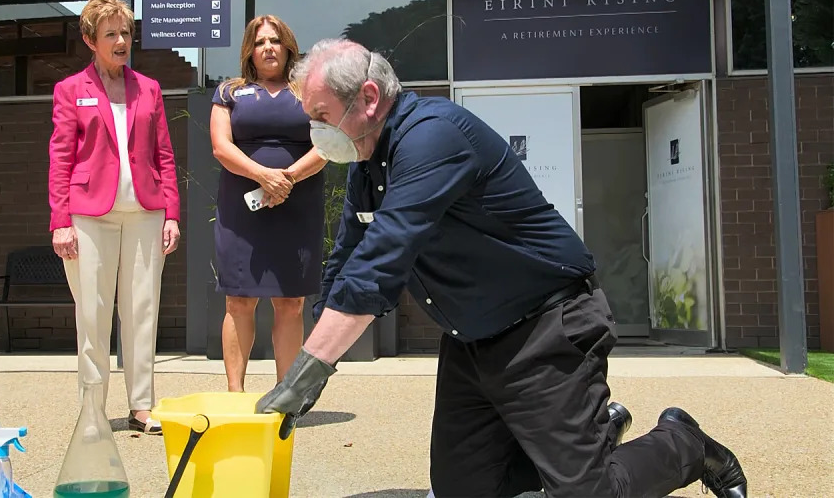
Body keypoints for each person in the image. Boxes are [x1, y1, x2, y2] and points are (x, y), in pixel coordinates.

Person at [255, 39, 748, 498]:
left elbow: (382, 260)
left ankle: (683, 442)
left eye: (320, 115)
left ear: (367, 98)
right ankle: (583, 439)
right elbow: (348, 259)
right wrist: (316, 340)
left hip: (545, 327)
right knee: (460, 491)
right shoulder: (368, 164)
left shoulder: (433, 137)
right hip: (470, 342)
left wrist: (306, 376)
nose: (315, 132)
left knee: (585, 494)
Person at [48, 0, 180, 436]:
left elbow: (164, 154)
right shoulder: (70, 90)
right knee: (93, 313)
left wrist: (172, 214)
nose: (122, 41)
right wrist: (61, 221)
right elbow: (61, 158)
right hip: (88, 215)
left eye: (126, 33)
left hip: (145, 211)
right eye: (111, 34)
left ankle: (142, 407)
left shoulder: (150, 89)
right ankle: (92, 410)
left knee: (143, 309)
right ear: (90, 39)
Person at [209, 15, 327, 392]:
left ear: (288, 46)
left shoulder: (308, 91)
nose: (268, 48)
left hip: (298, 203)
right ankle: (235, 395)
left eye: (275, 40)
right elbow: (221, 147)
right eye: (259, 42)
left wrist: (287, 178)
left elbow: (326, 145)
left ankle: (286, 395)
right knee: (239, 301)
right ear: (249, 50)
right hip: (242, 208)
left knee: (290, 302)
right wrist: (264, 176)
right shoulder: (229, 92)